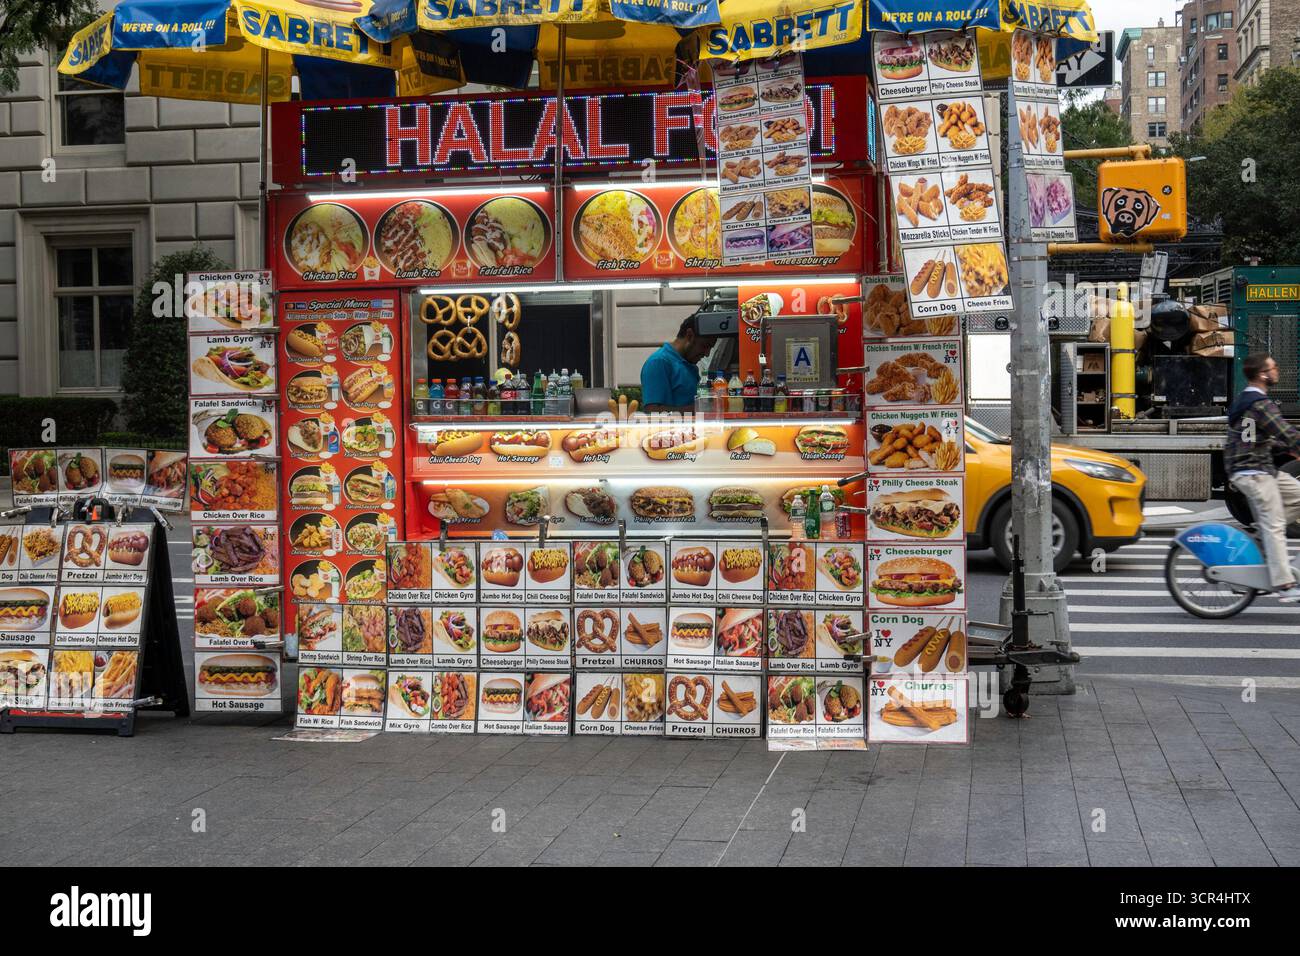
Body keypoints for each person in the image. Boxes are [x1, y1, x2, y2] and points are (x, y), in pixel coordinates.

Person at [1224, 352, 1300, 602]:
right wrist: (1292, 445)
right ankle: (1285, 585)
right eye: (1273, 367)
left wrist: (1282, 447)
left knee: (1294, 500)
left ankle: (1261, 539)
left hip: (1262, 468)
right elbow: (1289, 434)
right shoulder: (1261, 403)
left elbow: (1261, 436)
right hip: (1252, 472)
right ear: (1262, 374)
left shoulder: (1247, 399)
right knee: (1276, 524)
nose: (1277, 370)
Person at [640, 312, 717, 413]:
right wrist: (700, 408)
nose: (707, 354)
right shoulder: (659, 362)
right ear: (689, 336)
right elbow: (653, 411)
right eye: (704, 346)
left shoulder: (687, 364)